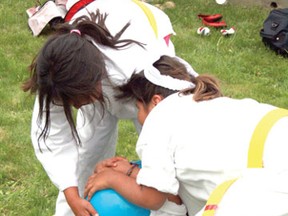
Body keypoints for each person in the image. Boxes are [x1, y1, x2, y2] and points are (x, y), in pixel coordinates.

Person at [22, 0, 177, 215]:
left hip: (148, 83)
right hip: (100, 81)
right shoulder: (59, 68)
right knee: (86, 157)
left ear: (94, 78)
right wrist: (71, 194)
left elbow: (168, 137)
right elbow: (52, 135)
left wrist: (135, 173)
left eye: (76, 98)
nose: (75, 105)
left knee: (166, 167)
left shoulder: (139, 65)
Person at [84, 55, 288, 216]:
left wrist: (111, 179)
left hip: (272, 178)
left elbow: (152, 198)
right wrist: (132, 172)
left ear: (155, 101)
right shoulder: (203, 103)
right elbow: (185, 177)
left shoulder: (160, 117)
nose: (138, 116)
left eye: (138, 107)